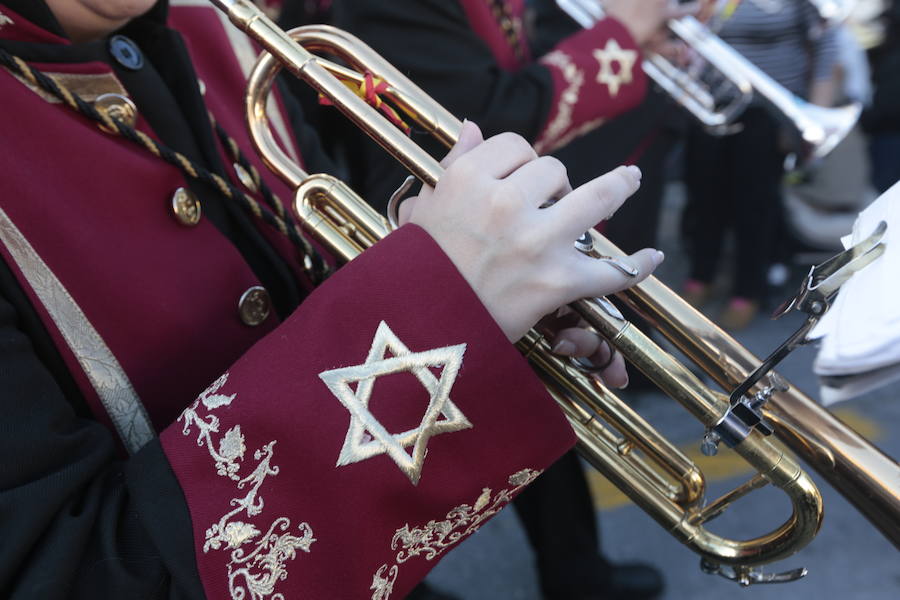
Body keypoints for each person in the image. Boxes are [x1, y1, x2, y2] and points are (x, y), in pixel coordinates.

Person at [0, 1, 664, 599]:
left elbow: (312, 270)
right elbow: (66, 569)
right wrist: (434, 309)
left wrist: (482, 295)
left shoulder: (214, 34)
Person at [680, 0, 840, 329]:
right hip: (708, 104)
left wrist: (809, 119)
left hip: (767, 114)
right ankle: (701, 275)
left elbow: (826, 44)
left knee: (755, 206)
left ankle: (747, 290)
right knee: (704, 196)